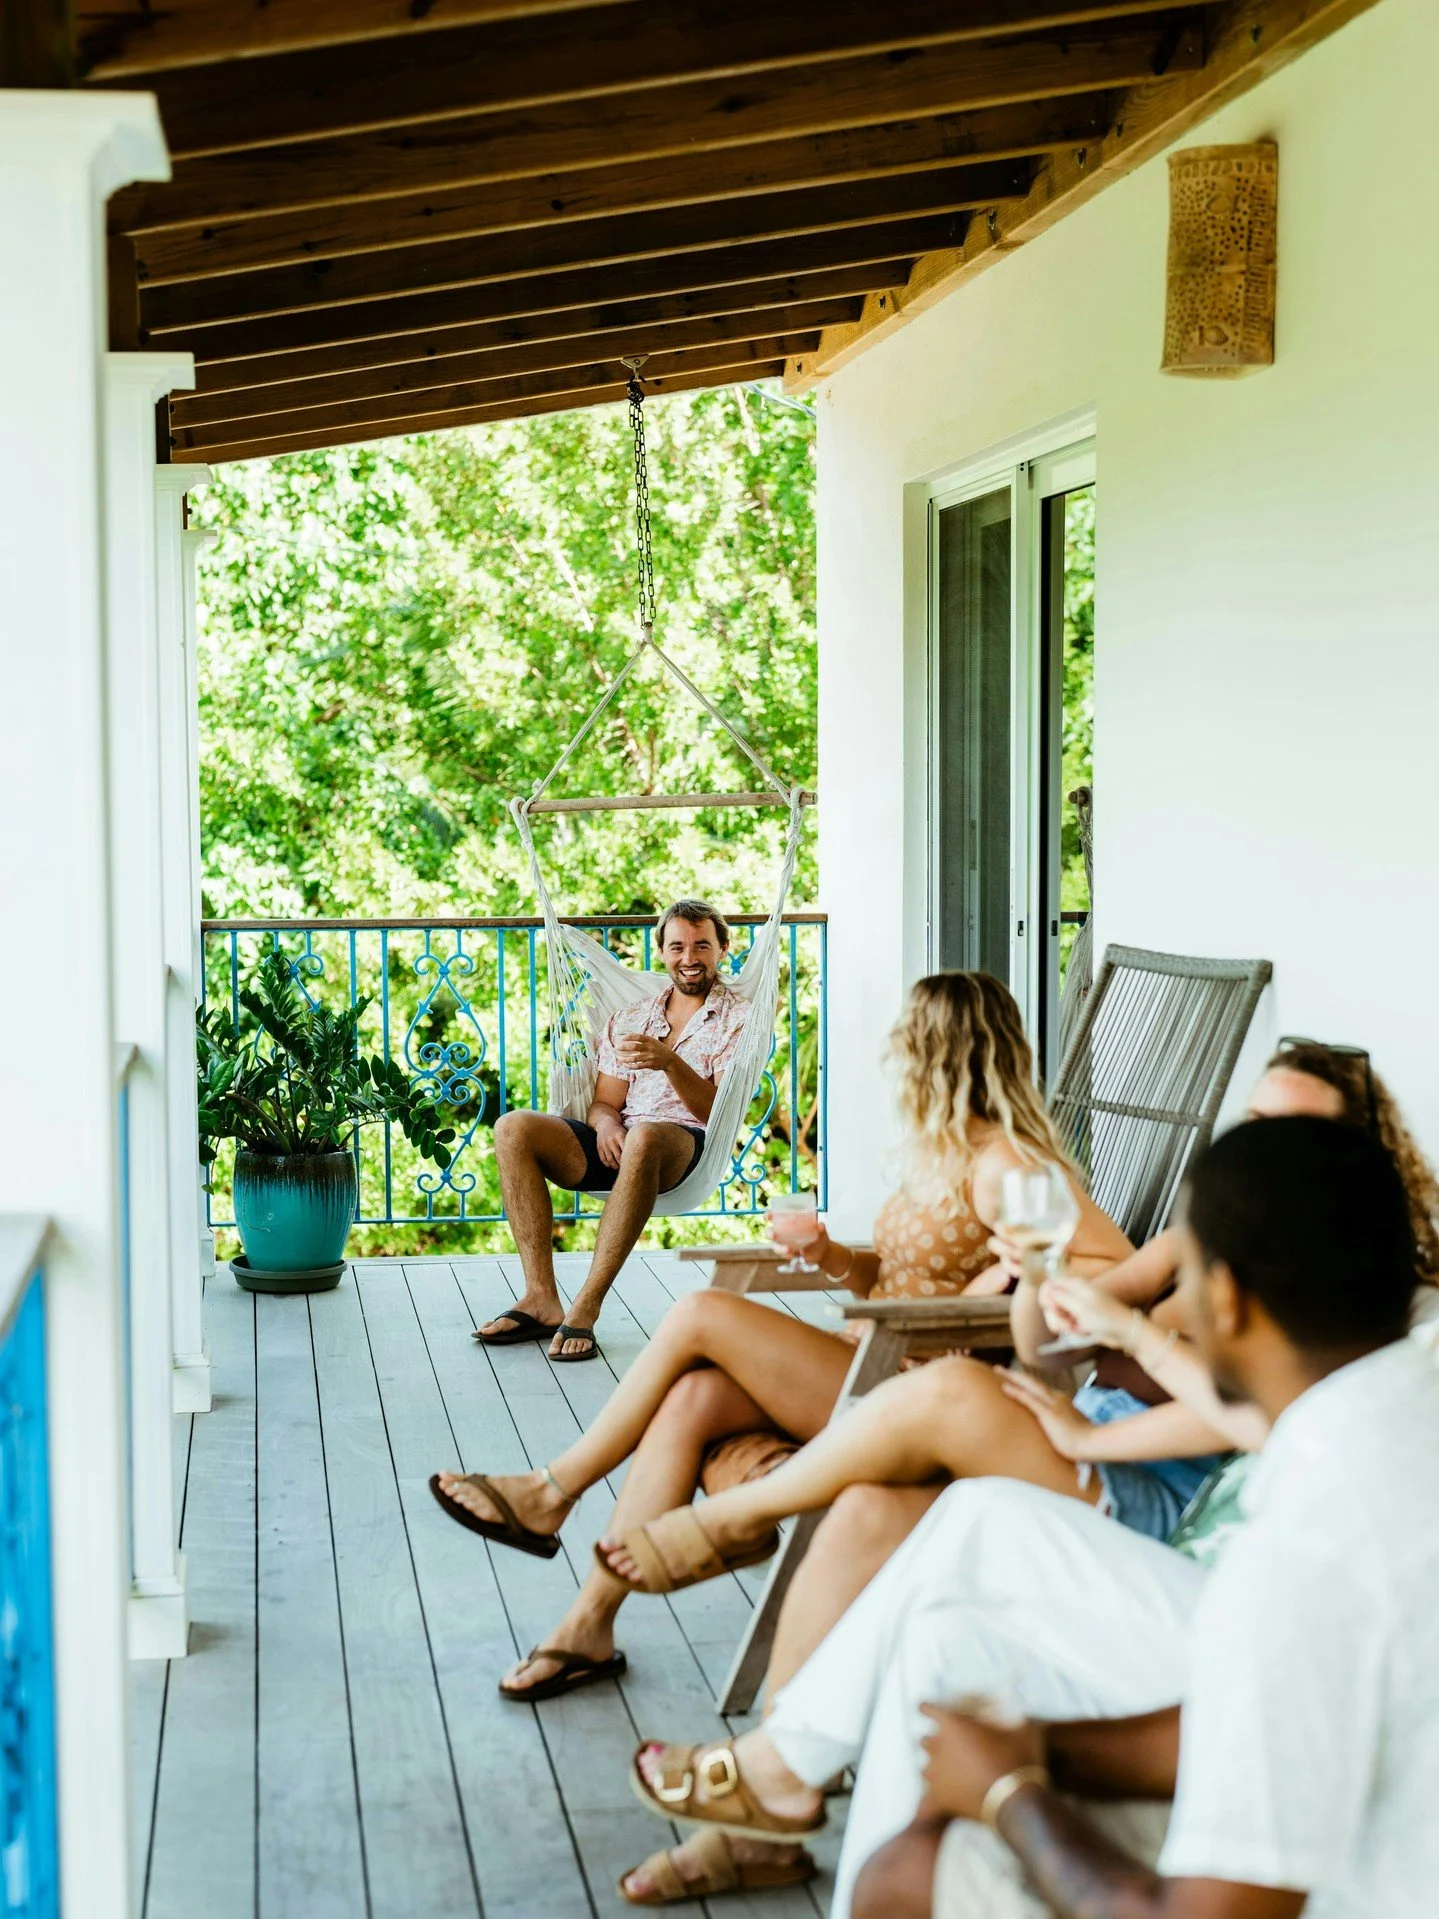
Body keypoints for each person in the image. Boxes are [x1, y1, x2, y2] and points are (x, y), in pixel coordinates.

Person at [614, 1037, 1439, 1902]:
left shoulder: (1311, 1545)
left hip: (1177, 1533)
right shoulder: (1376, 1386)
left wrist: (1013, 1791)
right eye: (1255, 1127)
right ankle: (781, 1779)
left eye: (1294, 1138)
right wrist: (1040, 1270)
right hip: (1172, 1539)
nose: (1268, 1156)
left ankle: (749, 1618)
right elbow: (1062, 1341)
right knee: (938, 1577)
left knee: (962, 1445)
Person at [429, 973, 1129, 1743]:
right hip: (862, 1358)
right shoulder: (947, 1149)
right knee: (692, 1394)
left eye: (907, 1039)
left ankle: (551, 1488)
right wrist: (832, 1256)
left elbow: (1113, 1264)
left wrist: (1027, 1268)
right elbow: (897, 1275)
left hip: (910, 1390)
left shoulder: (1010, 1165)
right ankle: (587, 1622)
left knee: (699, 1313)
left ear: (934, 1050)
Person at [855, 1117, 1439, 1919]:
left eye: (1186, 1279)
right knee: (945, 1645)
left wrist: (1009, 1794)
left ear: (1225, 1298)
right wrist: (1038, 1750)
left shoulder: (1302, 1553)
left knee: (907, 1872)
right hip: (1367, 1808)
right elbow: (1266, 1705)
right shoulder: (1404, 1402)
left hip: (1367, 1882)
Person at [475, 898, 748, 1361]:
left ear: (723, 949)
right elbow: (604, 1103)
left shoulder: (738, 1018)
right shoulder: (632, 1017)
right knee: (511, 1127)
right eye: (677, 946)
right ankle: (540, 1297)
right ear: (661, 951)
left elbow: (715, 1112)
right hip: (618, 1147)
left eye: (702, 945)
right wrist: (603, 1127)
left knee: (644, 1135)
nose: (689, 958)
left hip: (683, 1146)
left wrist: (669, 1062)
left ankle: (586, 1305)